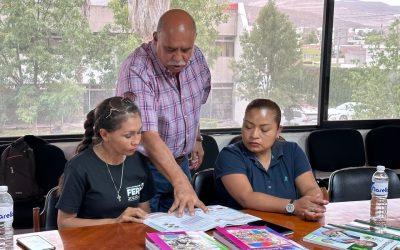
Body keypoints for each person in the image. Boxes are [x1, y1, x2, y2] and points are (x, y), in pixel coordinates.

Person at [116, 9, 211, 215]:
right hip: (142, 168)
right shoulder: (137, 70)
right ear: (156, 38)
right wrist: (182, 182)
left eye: (186, 49)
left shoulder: (198, 59)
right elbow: (147, 135)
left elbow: (192, 105)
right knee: (145, 237)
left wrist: (196, 137)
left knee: (183, 238)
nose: (179, 58)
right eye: (170, 49)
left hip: (180, 164)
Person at [214, 99, 328, 221]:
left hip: (288, 226)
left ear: (278, 131)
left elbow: (310, 188)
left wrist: (311, 205)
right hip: (242, 228)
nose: (254, 135)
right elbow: (247, 198)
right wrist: (292, 206)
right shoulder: (230, 155)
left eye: (264, 129)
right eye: (248, 127)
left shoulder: (292, 151)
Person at [56, 96, 153, 228]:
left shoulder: (139, 161)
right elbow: (64, 223)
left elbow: (144, 212)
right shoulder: (79, 167)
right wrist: (114, 222)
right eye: (128, 135)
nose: (136, 141)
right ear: (105, 134)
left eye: (139, 132)